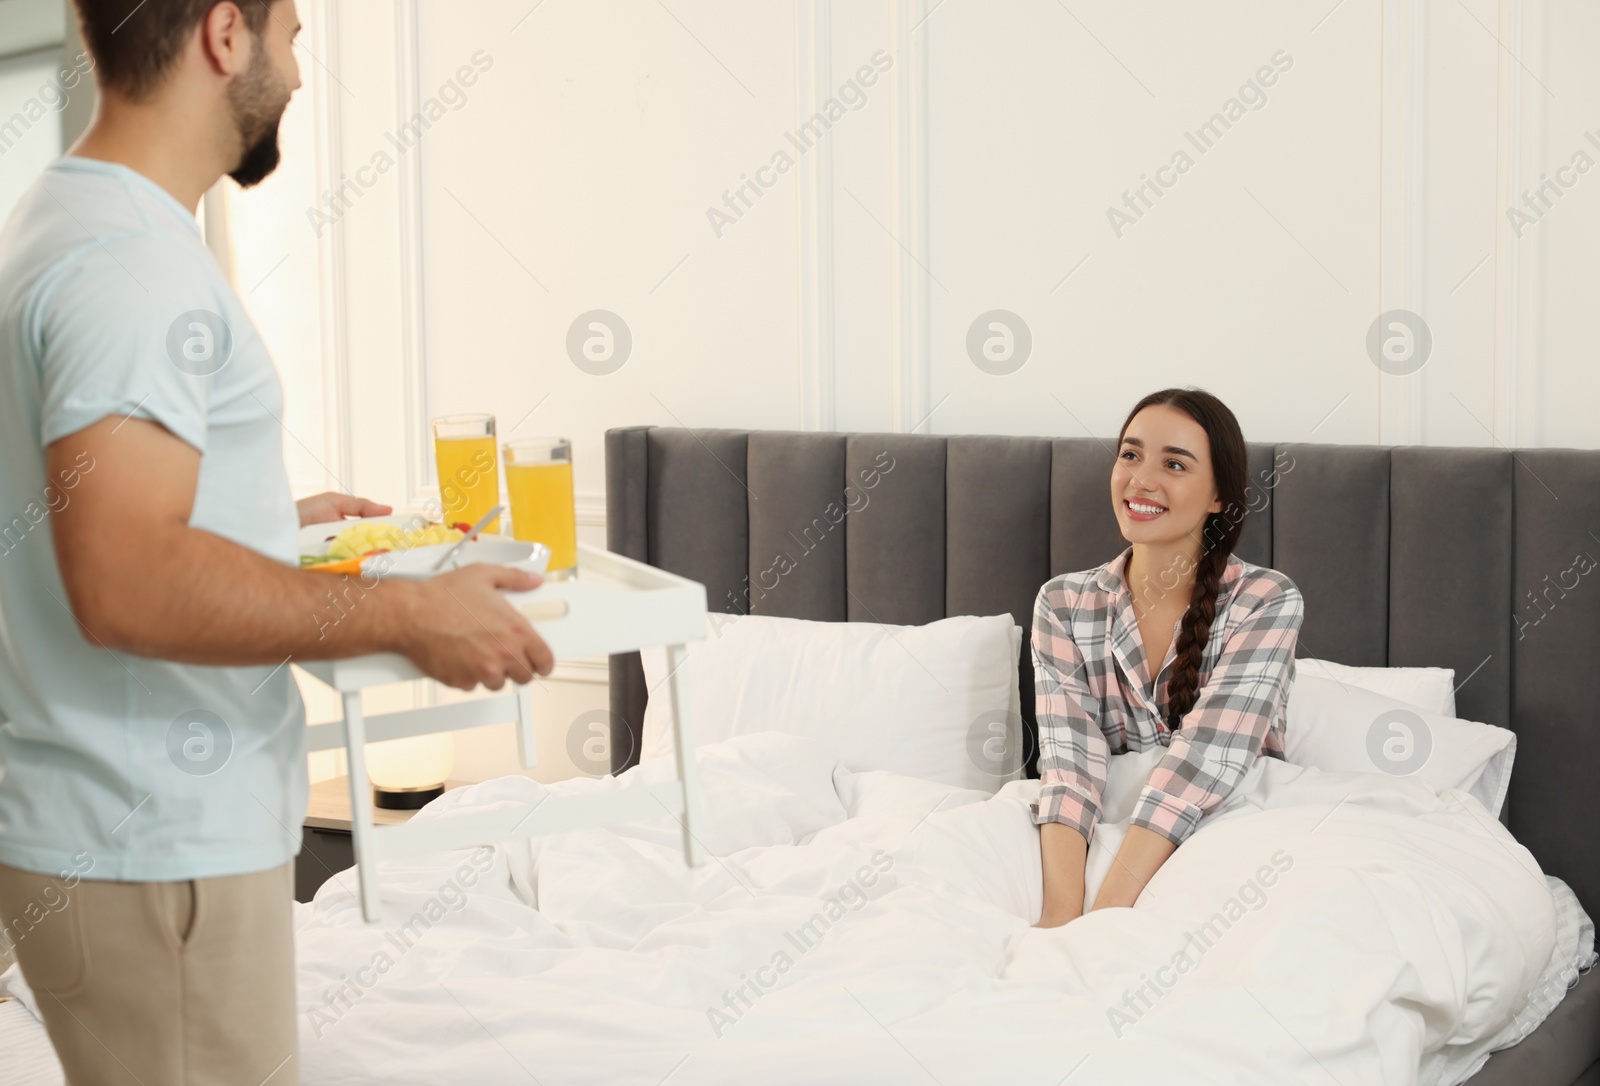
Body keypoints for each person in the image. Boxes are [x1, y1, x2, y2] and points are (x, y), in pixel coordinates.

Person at [0, 1, 554, 1082]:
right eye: (291, 36)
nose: (297, 72)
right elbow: (123, 579)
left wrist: (264, 523)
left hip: (106, 832)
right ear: (223, 36)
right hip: (158, 846)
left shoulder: (64, 221)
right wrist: (407, 612)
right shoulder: (136, 266)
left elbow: (76, 517)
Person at [1032, 388, 1303, 927]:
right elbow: (1069, 769)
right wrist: (1061, 923)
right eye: (1130, 455)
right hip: (1100, 837)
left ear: (1219, 496)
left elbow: (1200, 763)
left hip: (1230, 829)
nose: (1141, 479)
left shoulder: (1266, 601)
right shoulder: (1063, 604)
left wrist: (1106, 921)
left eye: (1174, 463)